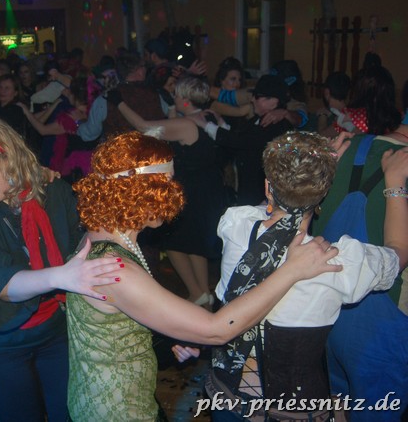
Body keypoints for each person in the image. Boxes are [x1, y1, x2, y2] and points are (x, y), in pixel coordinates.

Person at [68, 131, 342, 422]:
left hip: (115, 396)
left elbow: (114, 324)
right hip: (117, 411)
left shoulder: (102, 237)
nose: (175, 193)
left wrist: (168, 338)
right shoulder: (115, 269)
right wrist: (293, 270)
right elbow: (217, 330)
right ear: (140, 190)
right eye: (167, 183)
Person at [172, 131, 407, 421]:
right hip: (290, 414)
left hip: (226, 402)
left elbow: (269, 212)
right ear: (324, 193)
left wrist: (299, 177)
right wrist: (395, 184)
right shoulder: (337, 262)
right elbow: (398, 252)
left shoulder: (236, 223)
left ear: (267, 187)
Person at [0, 116, 123, 421]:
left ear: (10, 160)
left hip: (55, 329)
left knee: (68, 413)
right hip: (1, 342)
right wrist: (61, 276)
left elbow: (86, 239)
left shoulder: (52, 191)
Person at [312, 107, 408, 420]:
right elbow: (398, 253)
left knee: (337, 400)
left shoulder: (347, 145)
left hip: (324, 311)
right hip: (382, 325)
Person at [107, 75, 226, 306]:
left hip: (191, 190)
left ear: (185, 99)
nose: (173, 96)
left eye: (176, 94)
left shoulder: (186, 125)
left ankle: (197, 291)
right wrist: (172, 107)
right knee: (195, 244)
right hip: (208, 187)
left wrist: (118, 101)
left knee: (172, 242)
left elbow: (144, 127)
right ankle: (203, 293)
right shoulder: (208, 117)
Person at [197, 74, 293, 205]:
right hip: (249, 193)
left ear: (273, 101)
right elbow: (242, 139)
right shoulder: (259, 119)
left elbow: (243, 142)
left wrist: (205, 125)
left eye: (257, 97)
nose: (252, 100)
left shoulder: (277, 126)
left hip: (261, 199)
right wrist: (221, 123)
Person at [77, 50, 165, 142]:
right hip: (153, 150)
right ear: (140, 71)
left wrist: (78, 123)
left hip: (119, 150)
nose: (146, 69)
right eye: (144, 66)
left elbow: (89, 134)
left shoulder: (105, 98)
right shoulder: (157, 95)